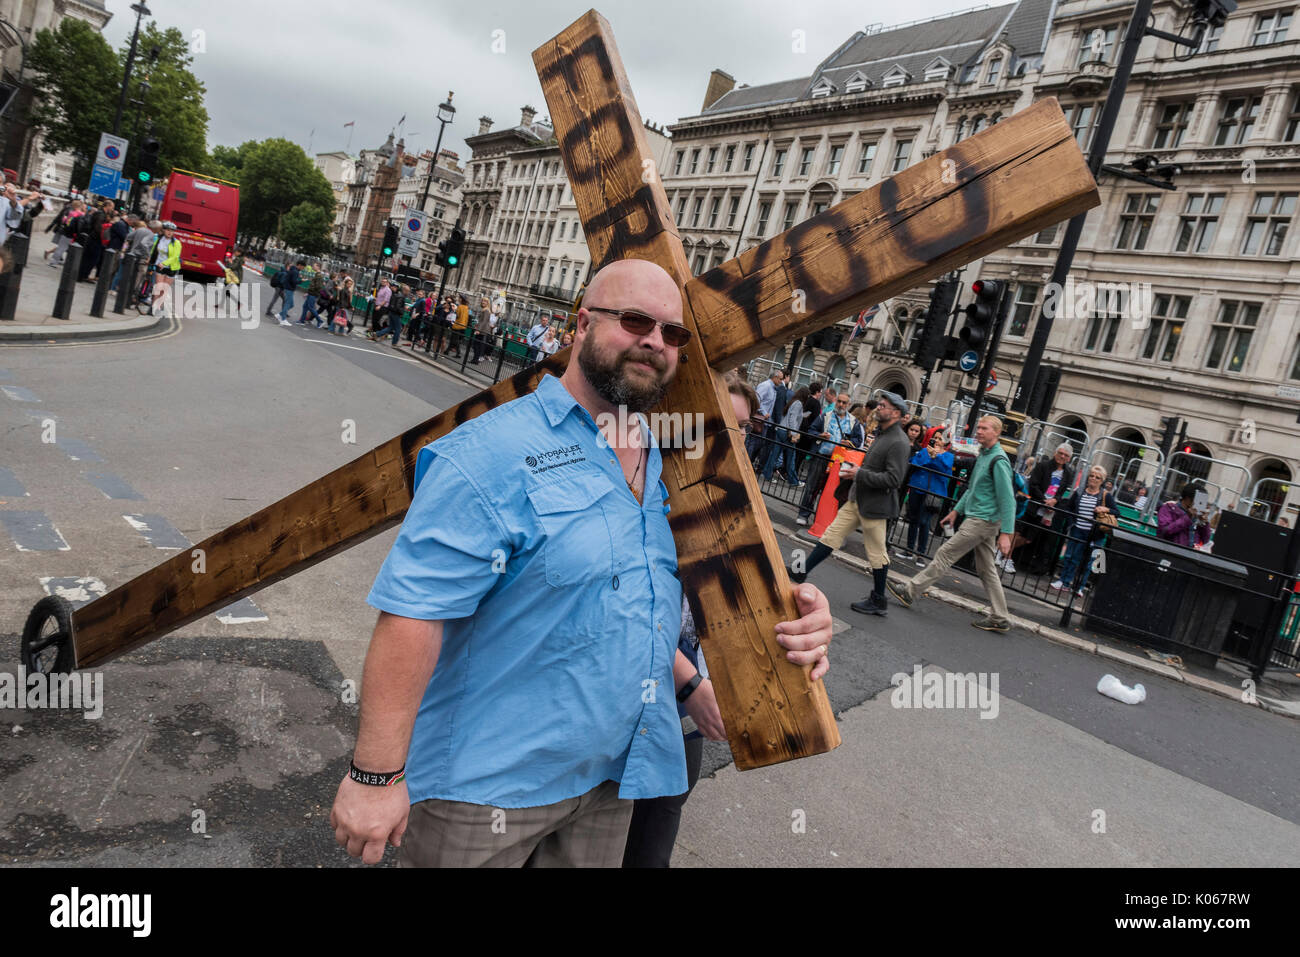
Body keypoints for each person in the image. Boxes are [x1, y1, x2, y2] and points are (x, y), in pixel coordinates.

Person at [329, 258, 834, 868]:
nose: (654, 341)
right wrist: (375, 777)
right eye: (634, 320)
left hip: (611, 780)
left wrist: (800, 614)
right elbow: (414, 615)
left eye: (673, 333)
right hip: (485, 790)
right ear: (581, 324)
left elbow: (672, 597)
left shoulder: (669, 461)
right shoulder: (490, 452)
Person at [888, 415, 1016, 633]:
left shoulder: (999, 461)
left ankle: (910, 590)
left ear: (996, 432)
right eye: (979, 427)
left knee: (945, 554)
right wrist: (956, 511)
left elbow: (1008, 500)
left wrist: (1007, 534)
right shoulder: (984, 456)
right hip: (979, 517)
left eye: (984, 428)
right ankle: (1000, 616)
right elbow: (973, 489)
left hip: (981, 520)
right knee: (987, 570)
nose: (979, 431)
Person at [789, 391, 910, 618]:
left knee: (876, 554)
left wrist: (859, 473)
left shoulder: (899, 442)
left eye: (883, 406)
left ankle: (879, 599)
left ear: (895, 413)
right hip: (859, 499)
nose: (878, 408)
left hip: (875, 505)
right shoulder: (884, 434)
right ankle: (800, 573)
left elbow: (894, 480)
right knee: (831, 535)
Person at [795, 391, 863, 526]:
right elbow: (811, 431)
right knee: (812, 486)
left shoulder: (853, 422)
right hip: (821, 456)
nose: (841, 405)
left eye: (844, 403)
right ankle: (804, 514)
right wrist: (820, 435)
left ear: (848, 405)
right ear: (836, 401)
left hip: (839, 461)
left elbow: (858, 440)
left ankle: (821, 518)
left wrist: (849, 443)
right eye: (839, 401)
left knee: (831, 491)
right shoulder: (825, 416)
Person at [1052, 464, 1117, 597]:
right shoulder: (1079, 491)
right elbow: (1069, 508)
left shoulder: (1105, 496)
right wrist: (1072, 523)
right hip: (1078, 529)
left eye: (1097, 477)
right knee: (1070, 557)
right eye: (1091, 476)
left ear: (1102, 481)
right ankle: (1064, 581)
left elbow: (1117, 512)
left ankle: (1079, 587)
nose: (1093, 479)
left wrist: (1106, 509)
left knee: (1089, 562)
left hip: (1095, 534)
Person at [903, 429, 954, 566]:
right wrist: (929, 456)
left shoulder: (949, 456)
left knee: (924, 522)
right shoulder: (925, 450)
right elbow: (915, 462)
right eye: (935, 438)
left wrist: (935, 457)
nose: (936, 441)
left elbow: (943, 468)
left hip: (933, 492)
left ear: (946, 442)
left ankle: (920, 553)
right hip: (917, 487)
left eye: (940, 438)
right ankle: (908, 550)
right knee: (913, 518)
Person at [1025, 443, 1076, 576]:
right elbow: (1033, 485)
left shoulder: (1068, 473)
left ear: (1069, 458)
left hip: (1050, 510)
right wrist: (1044, 500)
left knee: (1043, 538)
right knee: (1026, 535)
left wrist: (1054, 501)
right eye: (1060, 453)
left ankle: (1036, 566)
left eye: (1066, 455)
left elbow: (1062, 492)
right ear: (1055, 453)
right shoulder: (1043, 466)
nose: (1062, 456)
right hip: (1036, 504)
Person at [762, 386, 809, 486]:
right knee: (791, 458)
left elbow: (788, 416)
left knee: (774, 455)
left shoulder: (793, 401)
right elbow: (792, 418)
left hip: (781, 429)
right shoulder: (799, 403)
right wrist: (793, 433)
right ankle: (793, 481)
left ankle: (767, 474)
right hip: (787, 432)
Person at [1156, 483, 1212, 548]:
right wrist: (1188, 517)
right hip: (1170, 550)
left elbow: (1205, 540)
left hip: (1190, 553)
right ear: (1188, 499)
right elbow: (1164, 531)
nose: (1200, 504)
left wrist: (1205, 523)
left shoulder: (1197, 515)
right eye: (1199, 501)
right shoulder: (1168, 508)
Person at [148, 221, 183, 317]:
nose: (169, 232)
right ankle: (153, 307)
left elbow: (175, 257)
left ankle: (159, 304)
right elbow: (154, 249)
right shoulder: (159, 239)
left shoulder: (176, 243)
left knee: (164, 289)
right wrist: (149, 258)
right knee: (158, 287)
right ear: (163, 230)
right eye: (168, 230)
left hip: (171, 268)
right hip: (159, 266)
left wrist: (164, 263)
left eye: (172, 231)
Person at [279, 260, 303, 325]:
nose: (303, 269)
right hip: (289, 289)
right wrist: (301, 280)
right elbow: (294, 281)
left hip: (289, 288)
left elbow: (292, 279)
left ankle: (280, 315)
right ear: (299, 265)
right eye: (303, 267)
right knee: (288, 304)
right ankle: (283, 319)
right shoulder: (295, 271)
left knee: (291, 304)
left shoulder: (294, 270)